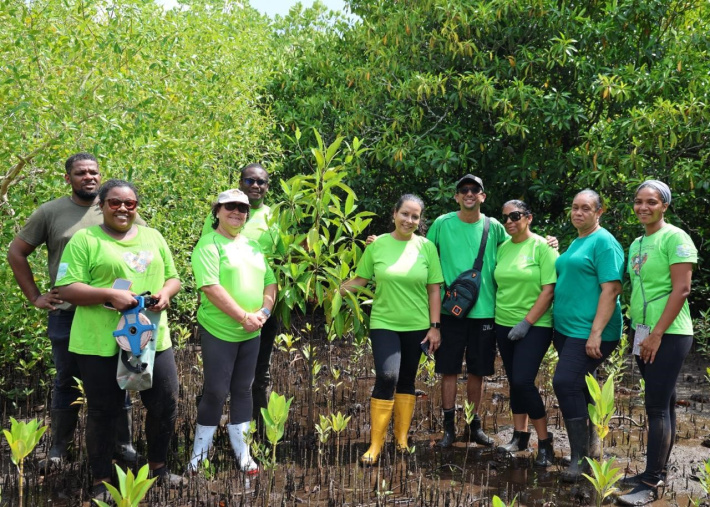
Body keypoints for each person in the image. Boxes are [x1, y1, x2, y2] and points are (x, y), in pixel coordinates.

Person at [7, 153, 137, 472]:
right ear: (68, 178)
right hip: (68, 313)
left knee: (121, 379)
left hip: (114, 315)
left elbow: (142, 248)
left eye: (94, 172)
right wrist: (35, 296)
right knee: (67, 381)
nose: (89, 177)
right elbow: (16, 252)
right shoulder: (50, 212)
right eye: (81, 173)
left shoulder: (115, 206)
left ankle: (124, 446)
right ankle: (58, 448)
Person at [55, 179, 182, 499]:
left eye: (130, 203)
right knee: (103, 410)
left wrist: (166, 293)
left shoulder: (153, 236)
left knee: (164, 403)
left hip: (151, 339)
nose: (123, 208)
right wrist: (110, 294)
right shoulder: (85, 240)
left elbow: (173, 277)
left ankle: (159, 468)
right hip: (100, 341)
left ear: (137, 207)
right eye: (114, 202)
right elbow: (67, 288)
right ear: (101, 205)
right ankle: (100, 480)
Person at [342, 194, 443, 464]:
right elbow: (360, 279)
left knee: (407, 380)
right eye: (405, 214)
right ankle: (375, 445)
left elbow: (434, 289)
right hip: (384, 322)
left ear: (419, 220)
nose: (409, 220)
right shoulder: (377, 246)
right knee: (387, 377)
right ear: (394, 214)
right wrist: (333, 292)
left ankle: (400, 439)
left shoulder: (427, 248)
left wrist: (435, 327)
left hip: (418, 325)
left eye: (415, 216)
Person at [617, 181, 697, 506]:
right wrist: (640, 332)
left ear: (664, 205)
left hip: (670, 332)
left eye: (651, 201)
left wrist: (657, 333)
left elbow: (681, 290)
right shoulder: (637, 242)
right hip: (644, 331)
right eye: (638, 201)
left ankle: (650, 482)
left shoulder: (675, 237)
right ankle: (656, 470)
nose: (643, 207)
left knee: (655, 407)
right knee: (664, 403)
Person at [190, 188, 277, 473]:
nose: (237, 213)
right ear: (217, 211)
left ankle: (243, 451)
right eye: (230, 207)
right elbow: (211, 288)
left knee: (243, 389)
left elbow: (270, 281)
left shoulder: (253, 245)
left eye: (242, 208)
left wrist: (263, 312)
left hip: (252, 331)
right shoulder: (208, 244)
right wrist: (242, 316)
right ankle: (198, 455)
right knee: (215, 391)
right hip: (220, 330)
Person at [427, 174, 508, 448]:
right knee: (448, 370)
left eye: (475, 189)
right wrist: (383, 242)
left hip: (485, 312)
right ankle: (448, 427)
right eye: (464, 190)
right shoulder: (442, 224)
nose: (470, 193)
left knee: (478, 371)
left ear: (483, 196)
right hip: (451, 312)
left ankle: (473, 426)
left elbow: (517, 248)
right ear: (457, 196)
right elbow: (423, 254)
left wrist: (548, 244)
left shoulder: (494, 226)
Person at [201, 163, 283, 433]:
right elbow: (209, 269)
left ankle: (254, 435)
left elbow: (280, 264)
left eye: (261, 182)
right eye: (250, 181)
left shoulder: (276, 218)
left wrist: (263, 312)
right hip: (223, 315)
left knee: (256, 377)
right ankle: (205, 441)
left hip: (262, 313)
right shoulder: (214, 232)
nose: (256, 185)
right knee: (216, 385)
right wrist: (241, 315)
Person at [552, 189, 624, 482]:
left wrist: (595, 334)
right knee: (580, 386)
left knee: (565, 382)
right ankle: (591, 448)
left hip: (590, 331)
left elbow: (612, 289)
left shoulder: (605, 242)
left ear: (599, 212)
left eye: (585, 208)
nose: (578, 213)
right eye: (574, 207)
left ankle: (578, 459)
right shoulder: (579, 240)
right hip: (568, 330)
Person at [493, 200, 558, 466]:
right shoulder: (502, 248)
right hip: (503, 322)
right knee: (513, 381)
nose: (509, 221)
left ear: (528, 218)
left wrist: (526, 323)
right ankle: (519, 437)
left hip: (535, 325)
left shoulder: (543, 247)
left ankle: (545, 442)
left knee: (523, 381)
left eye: (515, 216)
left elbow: (549, 289)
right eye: (505, 217)